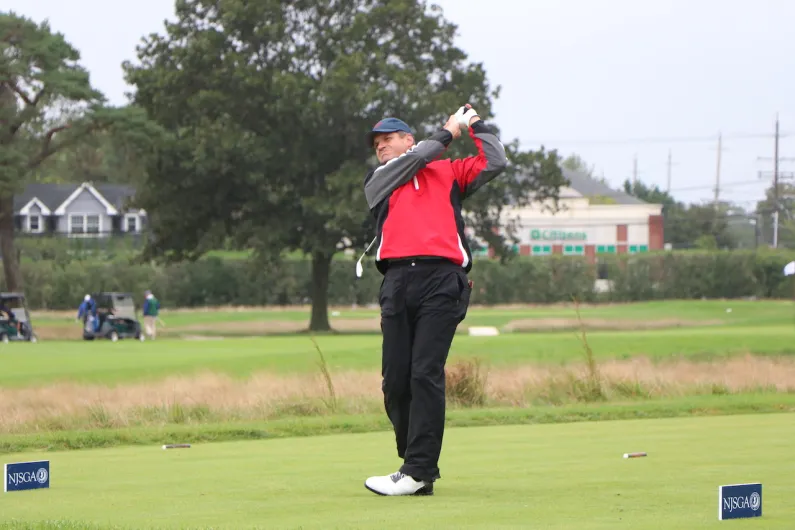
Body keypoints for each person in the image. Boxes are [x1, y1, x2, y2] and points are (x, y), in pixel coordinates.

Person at [360, 104, 508, 496]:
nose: (381, 147)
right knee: (395, 381)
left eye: (388, 139)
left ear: (408, 138)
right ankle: (414, 467)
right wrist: (446, 131)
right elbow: (424, 154)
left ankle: (418, 468)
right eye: (376, 143)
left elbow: (496, 160)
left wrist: (475, 124)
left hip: (442, 280)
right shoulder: (381, 179)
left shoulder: (449, 172)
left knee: (425, 372)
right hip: (396, 280)